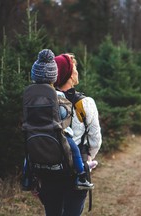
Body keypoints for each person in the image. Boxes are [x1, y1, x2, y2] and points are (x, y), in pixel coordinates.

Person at [29, 49, 94, 190]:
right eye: (75, 68)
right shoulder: (57, 96)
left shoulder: (31, 94)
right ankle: (81, 175)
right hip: (57, 131)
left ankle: (27, 178)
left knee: (28, 153)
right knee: (74, 148)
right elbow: (63, 115)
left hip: (34, 131)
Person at [54, 52, 102, 215]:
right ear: (68, 74)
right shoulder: (85, 103)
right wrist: (89, 158)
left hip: (51, 165)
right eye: (74, 68)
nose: (77, 71)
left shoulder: (48, 100)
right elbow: (95, 138)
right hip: (76, 167)